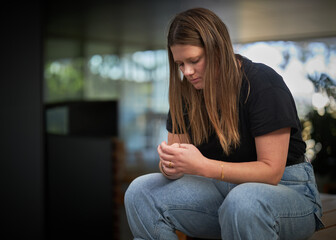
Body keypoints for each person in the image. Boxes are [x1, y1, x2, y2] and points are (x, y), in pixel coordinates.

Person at [124, 7, 324, 240]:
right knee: (140, 192)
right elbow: (180, 165)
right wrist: (171, 166)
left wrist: (201, 166)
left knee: (244, 202)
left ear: (217, 49)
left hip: (287, 192)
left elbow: (272, 172)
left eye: (194, 60)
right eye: (180, 64)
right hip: (221, 191)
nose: (187, 72)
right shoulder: (185, 93)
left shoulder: (262, 83)